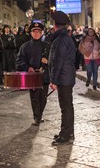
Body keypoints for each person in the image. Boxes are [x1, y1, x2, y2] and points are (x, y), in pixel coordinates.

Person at [48, 11, 76, 145]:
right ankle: (69, 132)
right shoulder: (66, 37)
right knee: (68, 106)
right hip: (67, 76)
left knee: (65, 107)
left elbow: (57, 61)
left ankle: (65, 135)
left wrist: (53, 80)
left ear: (55, 24)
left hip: (63, 77)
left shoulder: (61, 39)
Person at [16, 22, 50, 126]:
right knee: (35, 98)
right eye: (34, 32)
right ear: (31, 33)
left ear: (42, 33)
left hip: (44, 76)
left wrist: (48, 62)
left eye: (38, 32)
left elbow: (55, 60)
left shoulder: (47, 46)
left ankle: (39, 115)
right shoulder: (25, 46)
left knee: (43, 98)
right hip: (32, 76)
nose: (36, 33)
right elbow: (19, 60)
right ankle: (37, 117)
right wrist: (27, 67)